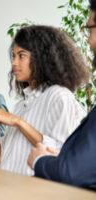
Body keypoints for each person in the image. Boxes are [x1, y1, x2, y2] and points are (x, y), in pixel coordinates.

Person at [0, 25, 90, 175]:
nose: (14, 63)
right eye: (13, 56)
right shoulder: (21, 105)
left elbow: (59, 154)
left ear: (43, 58)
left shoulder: (59, 96)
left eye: (21, 56)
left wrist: (17, 121)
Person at [27, 0, 96, 189]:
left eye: (90, 29)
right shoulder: (22, 102)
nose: (88, 41)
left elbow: (73, 172)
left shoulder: (61, 98)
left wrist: (40, 159)